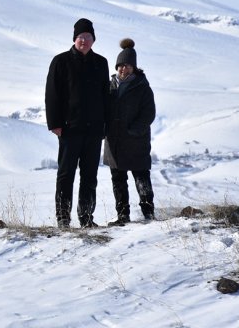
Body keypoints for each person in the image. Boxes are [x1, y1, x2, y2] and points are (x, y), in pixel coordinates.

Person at [45, 18, 110, 228]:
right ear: (74, 39)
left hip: (93, 131)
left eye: (88, 37)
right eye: (81, 37)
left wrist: (105, 125)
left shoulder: (101, 63)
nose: (84, 40)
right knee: (66, 175)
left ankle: (86, 218)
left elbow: (105, 97)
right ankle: (63, 218)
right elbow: (52, 94)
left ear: (93, 40)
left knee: (90, 176)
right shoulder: (60, 61)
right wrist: (55, 123)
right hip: (69, 129)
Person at [103, 38, 156, 225]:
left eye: (127, 66)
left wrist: (135, 130)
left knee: (141, 175)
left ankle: (148, 213)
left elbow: (148, 114)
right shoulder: (109, 86)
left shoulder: (142, 87)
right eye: (120, 66)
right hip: (113, 141)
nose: (123, 69)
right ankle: (122, 216)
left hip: (136, 141)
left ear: (134, 67)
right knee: (118, 179)